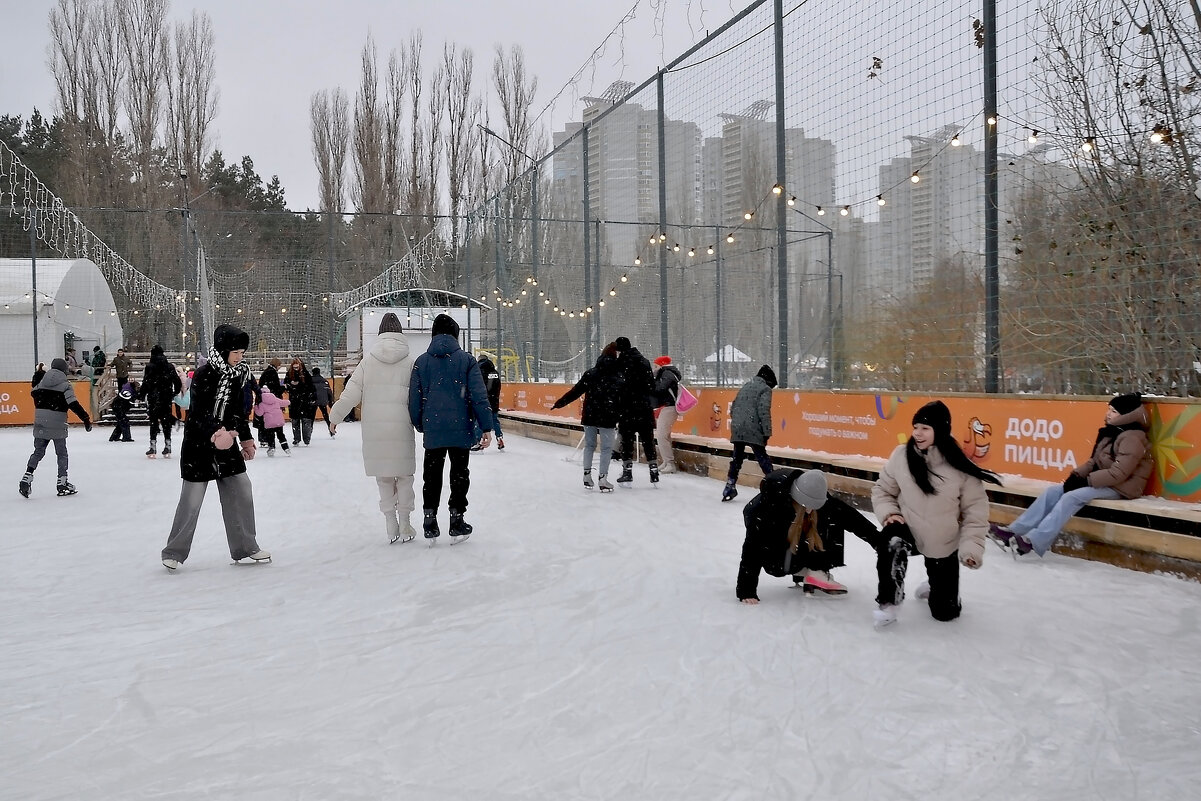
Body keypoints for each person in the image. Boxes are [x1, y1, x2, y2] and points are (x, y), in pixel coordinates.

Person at [871, 400, 1002, 628]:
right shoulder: (901, 455)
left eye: (925, 428)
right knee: (891, 541)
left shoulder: (960, 467)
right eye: (916, 427)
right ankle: (889, 602)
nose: (918, 433)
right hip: (907, 528)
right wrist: (889, 513)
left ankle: (935, 588)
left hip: (942, 540)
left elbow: (975, 512)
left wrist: (971, 548)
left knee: (946, 613)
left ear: (939, 431)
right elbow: (882, 489)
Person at [161, 323, 270, 571]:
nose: (241, 357)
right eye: (237, 353)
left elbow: (235, 411)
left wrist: (245, 438)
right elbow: (198, 412)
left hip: (227, 444)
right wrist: (215, 432)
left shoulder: (236, 375)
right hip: (199, 446)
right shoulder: (204, 374)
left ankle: (246, 547)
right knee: (191, 501)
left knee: (242, 490)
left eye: (243, 353)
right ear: (223, 351)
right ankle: (174, 552)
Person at [989, 392, 1152, 557]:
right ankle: (1014, 531)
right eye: (1108, 409)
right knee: (1053, 491)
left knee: (1071, 497)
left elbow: (1119, 473)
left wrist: (1087, 481)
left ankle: (1033, 540)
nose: (1108, 414)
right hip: (1105, 481)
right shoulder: (1112, 432)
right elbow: (1094, 462)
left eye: (1114, 411)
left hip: (1122, 487)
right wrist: (1075, 477)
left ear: (1126, 415)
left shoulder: (1132, 437)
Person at [330, 312, 418, 543]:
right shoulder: (410, 363)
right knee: (405, 476)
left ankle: (391, 523)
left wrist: (335, 417)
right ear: (400, 334)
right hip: (401, 426)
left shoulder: (367, 362)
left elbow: (351, 394)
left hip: (375, 430)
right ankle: (406, 522)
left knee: (385, 477)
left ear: (380, 334)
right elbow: (420, 398)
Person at [409, 313, 493, 544]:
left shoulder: (422, 362)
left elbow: (414, 398)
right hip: (460, 429)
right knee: (459, 474)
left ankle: (429, 519)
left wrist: (420, 422)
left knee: (432, 476)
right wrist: (486, 426)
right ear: (456, 334)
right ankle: (456, 519)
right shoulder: (466, 361)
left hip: (434, 428)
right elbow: (478, 396)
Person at [737, 469, 882, 603]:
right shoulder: (767, 509)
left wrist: (878, 541)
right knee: (789, 529)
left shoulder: (815, 496)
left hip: (797, 548)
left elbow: (851, 518)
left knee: (834, 515)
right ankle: (804, 569)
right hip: (776, 559)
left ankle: (815, 571)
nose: (811, 509)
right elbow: (752, 549)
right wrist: (746, 590)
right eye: (807, 505)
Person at [551, 343, 624, 491]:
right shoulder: (618, 375)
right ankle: (603, 479)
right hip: (608, 416)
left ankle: (587, 475)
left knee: (589, 445)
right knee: (606, 448)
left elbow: (576, 391)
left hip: (590, 415)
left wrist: (559, 403)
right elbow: (623, 397)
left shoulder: (591, 373)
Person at [18, 357, 92, 498]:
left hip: (40, 420)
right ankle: (62, 483)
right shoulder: (65, 385)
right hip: (57, 423)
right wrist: (86, 418)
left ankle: (26, 477)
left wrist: (38, 376)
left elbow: (33, 393)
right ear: (64, 369)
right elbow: (73, 404)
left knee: (38, 452)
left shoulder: (41, 383)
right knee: (61, 454)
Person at [722, 365, 777, 502]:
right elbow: (764, 411)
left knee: (737, 458)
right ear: (768, 381)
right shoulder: (765, 389)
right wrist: (766, 433)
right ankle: (775, 486)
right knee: (762, 458)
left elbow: (734, 407)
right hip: (753, 427)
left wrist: (738, 424)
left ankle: (730, 485)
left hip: (738, 427)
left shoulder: (746, 386)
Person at [613, 336, 659, 485]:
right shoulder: (644, 361)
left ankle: (627, 471)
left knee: (627, 440)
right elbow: (651, 385)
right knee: (648, 439)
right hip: (644, 407)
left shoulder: (621, 363)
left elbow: (618, 385)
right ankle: (654, 471)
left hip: (627, 408)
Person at [139, 345, 183, 459]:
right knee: (166, 421)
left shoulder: (149, 367)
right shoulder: (169, 367)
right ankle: (168, 445)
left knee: (153, 422)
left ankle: (153, 446)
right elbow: (177, 381)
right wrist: (174, 392)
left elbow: (146, 382)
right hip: (166, 397)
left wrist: (141, 395)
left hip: (153, 397)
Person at [651, 355, 682, 474]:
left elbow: (660, 389)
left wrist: (651, 383)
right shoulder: (666, 374)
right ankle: (666, 461)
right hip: (667, 406)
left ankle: (669, 463)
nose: (654, 369)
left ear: (662, 365)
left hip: (669, 407)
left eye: (656, 366)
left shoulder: (666, 374)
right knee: (665, 435)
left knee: (661, 435)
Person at [472, 355, 504, 451]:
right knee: (494, 420)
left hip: (483, 401)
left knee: (480, 420)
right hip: (494, 401)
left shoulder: (479, 372)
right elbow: (497, 387)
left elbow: (478, 387)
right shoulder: (495, 373)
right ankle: (499, 437)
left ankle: (477, 442)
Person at [285, 357, 317, 446]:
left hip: (304, 400)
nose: (295, 369)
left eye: (297, 367)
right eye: (294, 367)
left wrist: (298, 385)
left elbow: (310, 387)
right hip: (294, 400)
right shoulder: (289, 374)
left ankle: (306, 439)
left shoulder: (306, 375)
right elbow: (286, 384)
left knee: (305, 420)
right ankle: (296, 439)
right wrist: (290, 385)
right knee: (295, 421)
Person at [254, 385, 292, 457]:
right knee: (281, 435)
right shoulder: (275, 399)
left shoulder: (262, 403)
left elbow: (259, 414)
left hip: (269, 422)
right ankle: (286, 448)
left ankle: (272, 447)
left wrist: (256, 407)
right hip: (279, 421)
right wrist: (289, 401)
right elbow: (285, 403)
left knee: (270, 436)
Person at [108, 379, 136, 443]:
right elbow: (127, 399)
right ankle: (126, 437)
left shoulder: (127, 389)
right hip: (118, 408)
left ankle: (114, 437)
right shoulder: (127, 391)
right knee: (124, 422)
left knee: (121, 422)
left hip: (117, 407)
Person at [311, 367, 335, 437]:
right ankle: (331, 430)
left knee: (311, 417)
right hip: (323, 400)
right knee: (326, 415)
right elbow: (329, 392)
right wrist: (330, 402)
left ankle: (309, 432)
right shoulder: (324, 381)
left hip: (314, 400)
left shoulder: (310, 381)